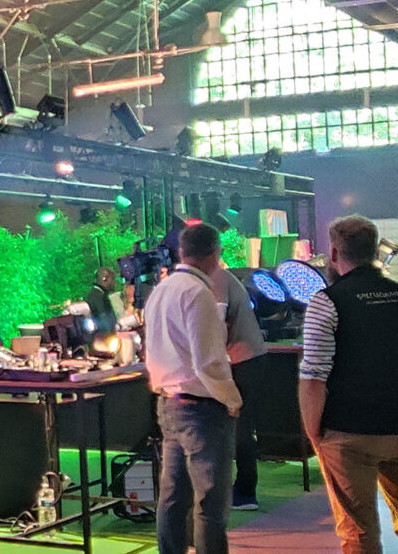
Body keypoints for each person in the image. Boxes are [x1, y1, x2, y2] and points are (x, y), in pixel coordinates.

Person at [300, 215, 398, 554]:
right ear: (374, 250)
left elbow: (313, 376)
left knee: (359, 534)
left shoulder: (327, 301)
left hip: (347, 433)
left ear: (336, 254)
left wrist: (314, 432)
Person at [143, 223, 241, 554]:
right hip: (201, 407)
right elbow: (209, 362)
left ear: (182, 253)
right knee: (210, 503)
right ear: (215, 255)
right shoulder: (199, 294)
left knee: (172, 497)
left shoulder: (161, 290)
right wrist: (232, 399)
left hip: (168, 402)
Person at [208, 264, 268, 511]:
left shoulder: (217, 278)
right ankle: (242, 490)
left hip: (243, 361)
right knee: (241, 425)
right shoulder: (221, 277)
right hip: (247, 358)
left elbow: (217, 323)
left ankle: (244, 493)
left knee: (240, 425)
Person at [84, 267, 120, 338]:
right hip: (105, 339)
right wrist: (112, 334)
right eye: (112, 279)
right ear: (104, 279)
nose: (114, 282)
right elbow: (104, 319)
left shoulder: (98, 294)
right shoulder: (97, 296)